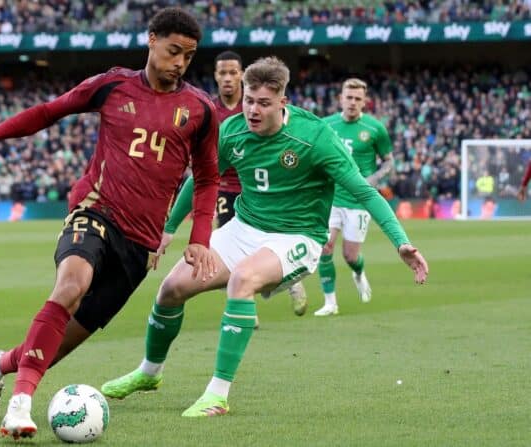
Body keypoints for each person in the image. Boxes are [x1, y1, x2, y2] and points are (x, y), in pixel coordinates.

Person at [100, 57, 428, 417]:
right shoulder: (232, 130)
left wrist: (401, 242)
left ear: (283, 103)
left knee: (242, 280)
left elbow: (365, 193)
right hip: (244, 227)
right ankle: (149, 372)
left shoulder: (315, 137)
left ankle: (217, 394)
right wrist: (169, 229)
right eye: (248, 101)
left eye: (263, 103)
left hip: (297, 237)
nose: (253, 111)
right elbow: (201, 178)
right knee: (171, 289)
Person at [0, 7, 220, 440]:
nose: (179, 63)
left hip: (139, 246)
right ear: (151, 39)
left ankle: (0, 364)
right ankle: (20, 406)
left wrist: (199, 239)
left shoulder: (200, 109)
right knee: (70, 286)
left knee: (56, 346)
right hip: (95, 211)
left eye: (189, 56)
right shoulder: (113, 85)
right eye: (173, 50)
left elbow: (209, 177)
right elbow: (49, 111)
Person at [162, 50, 308, 321]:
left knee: (263, 244)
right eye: (222, 73)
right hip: (224, 189)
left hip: (259, 188)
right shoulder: (209, 110)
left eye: (233, 72)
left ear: (242, 75)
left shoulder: (258, 106)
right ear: (216, 76)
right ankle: (244, 305)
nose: (228, 78)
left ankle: (287, 278)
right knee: (229, 250)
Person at [313, 78, 394, 316]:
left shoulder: (375, 129)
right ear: (340, 99)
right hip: (331, 198)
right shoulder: (326, 125)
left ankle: (358, 272)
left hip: (358, 201)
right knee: (325, 247)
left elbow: (389, 161)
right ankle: (330, 302)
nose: (352, 102)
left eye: (357, 99)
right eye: (348, 97)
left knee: (350, 255)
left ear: (364, 102)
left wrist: (374, 180)